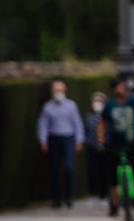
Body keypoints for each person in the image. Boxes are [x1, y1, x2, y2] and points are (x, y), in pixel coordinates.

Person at [102, 75, 134, 216]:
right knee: (113, 177)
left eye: (122, 86)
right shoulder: (110, 104)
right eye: (118, 86)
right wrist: (101, 141)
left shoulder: (133, 99)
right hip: (115, 144)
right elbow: (102, 123)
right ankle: (114, 204)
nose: (121, 89)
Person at [36, 79, 84, 210]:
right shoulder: (48, 107)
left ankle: (69, 198)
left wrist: (79, 140)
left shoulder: (71, 105)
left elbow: (77, 123)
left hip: (68, 138)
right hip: (54, 138)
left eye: (60, 90)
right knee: (55, 170)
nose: (58, 92)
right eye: (56, 90)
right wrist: (43, 140)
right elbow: (43, 125)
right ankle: (56, 199)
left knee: (69, 168)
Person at [85, 92, 109, 202]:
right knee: (92, 171)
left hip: (105, 147)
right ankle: (93, 193)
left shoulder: (108, 116)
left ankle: (104, 194)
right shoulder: (89, 116)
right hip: (92, 146)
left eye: (100, 101)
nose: (98, 103)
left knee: (104, 171)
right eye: (96, 101)